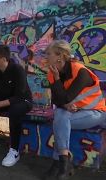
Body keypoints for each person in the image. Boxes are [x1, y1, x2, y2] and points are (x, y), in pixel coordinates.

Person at [43, 40, 106, 180]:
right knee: (60, 116)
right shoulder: (52, 73)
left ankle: (59, 163)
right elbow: (56, 100)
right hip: (75, 113)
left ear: (59, 56)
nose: (45, 57)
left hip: (96, 112)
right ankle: (63, 163)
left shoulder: (80, 71)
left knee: (60, 118)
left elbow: (65, 98)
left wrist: (59, 82)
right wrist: (64, 104)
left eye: (48, 54)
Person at [0, 45, 32, 166]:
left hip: (24, 101)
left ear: (3, 59)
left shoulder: (17, 70)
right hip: (4, 101)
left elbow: (19, 96)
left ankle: (14, 150)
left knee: (14, 111)